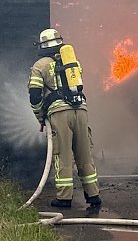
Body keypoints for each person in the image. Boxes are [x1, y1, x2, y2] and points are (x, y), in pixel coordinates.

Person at [28, 28, 102, 209]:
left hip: (59, 113)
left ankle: (64, 198)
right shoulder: (72, 62)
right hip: (81, 110)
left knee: (63, 155)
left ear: (42, 46)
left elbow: (34, 94)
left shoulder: (40, 65)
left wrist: (39, 116)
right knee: (84, 154)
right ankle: (93, 196)